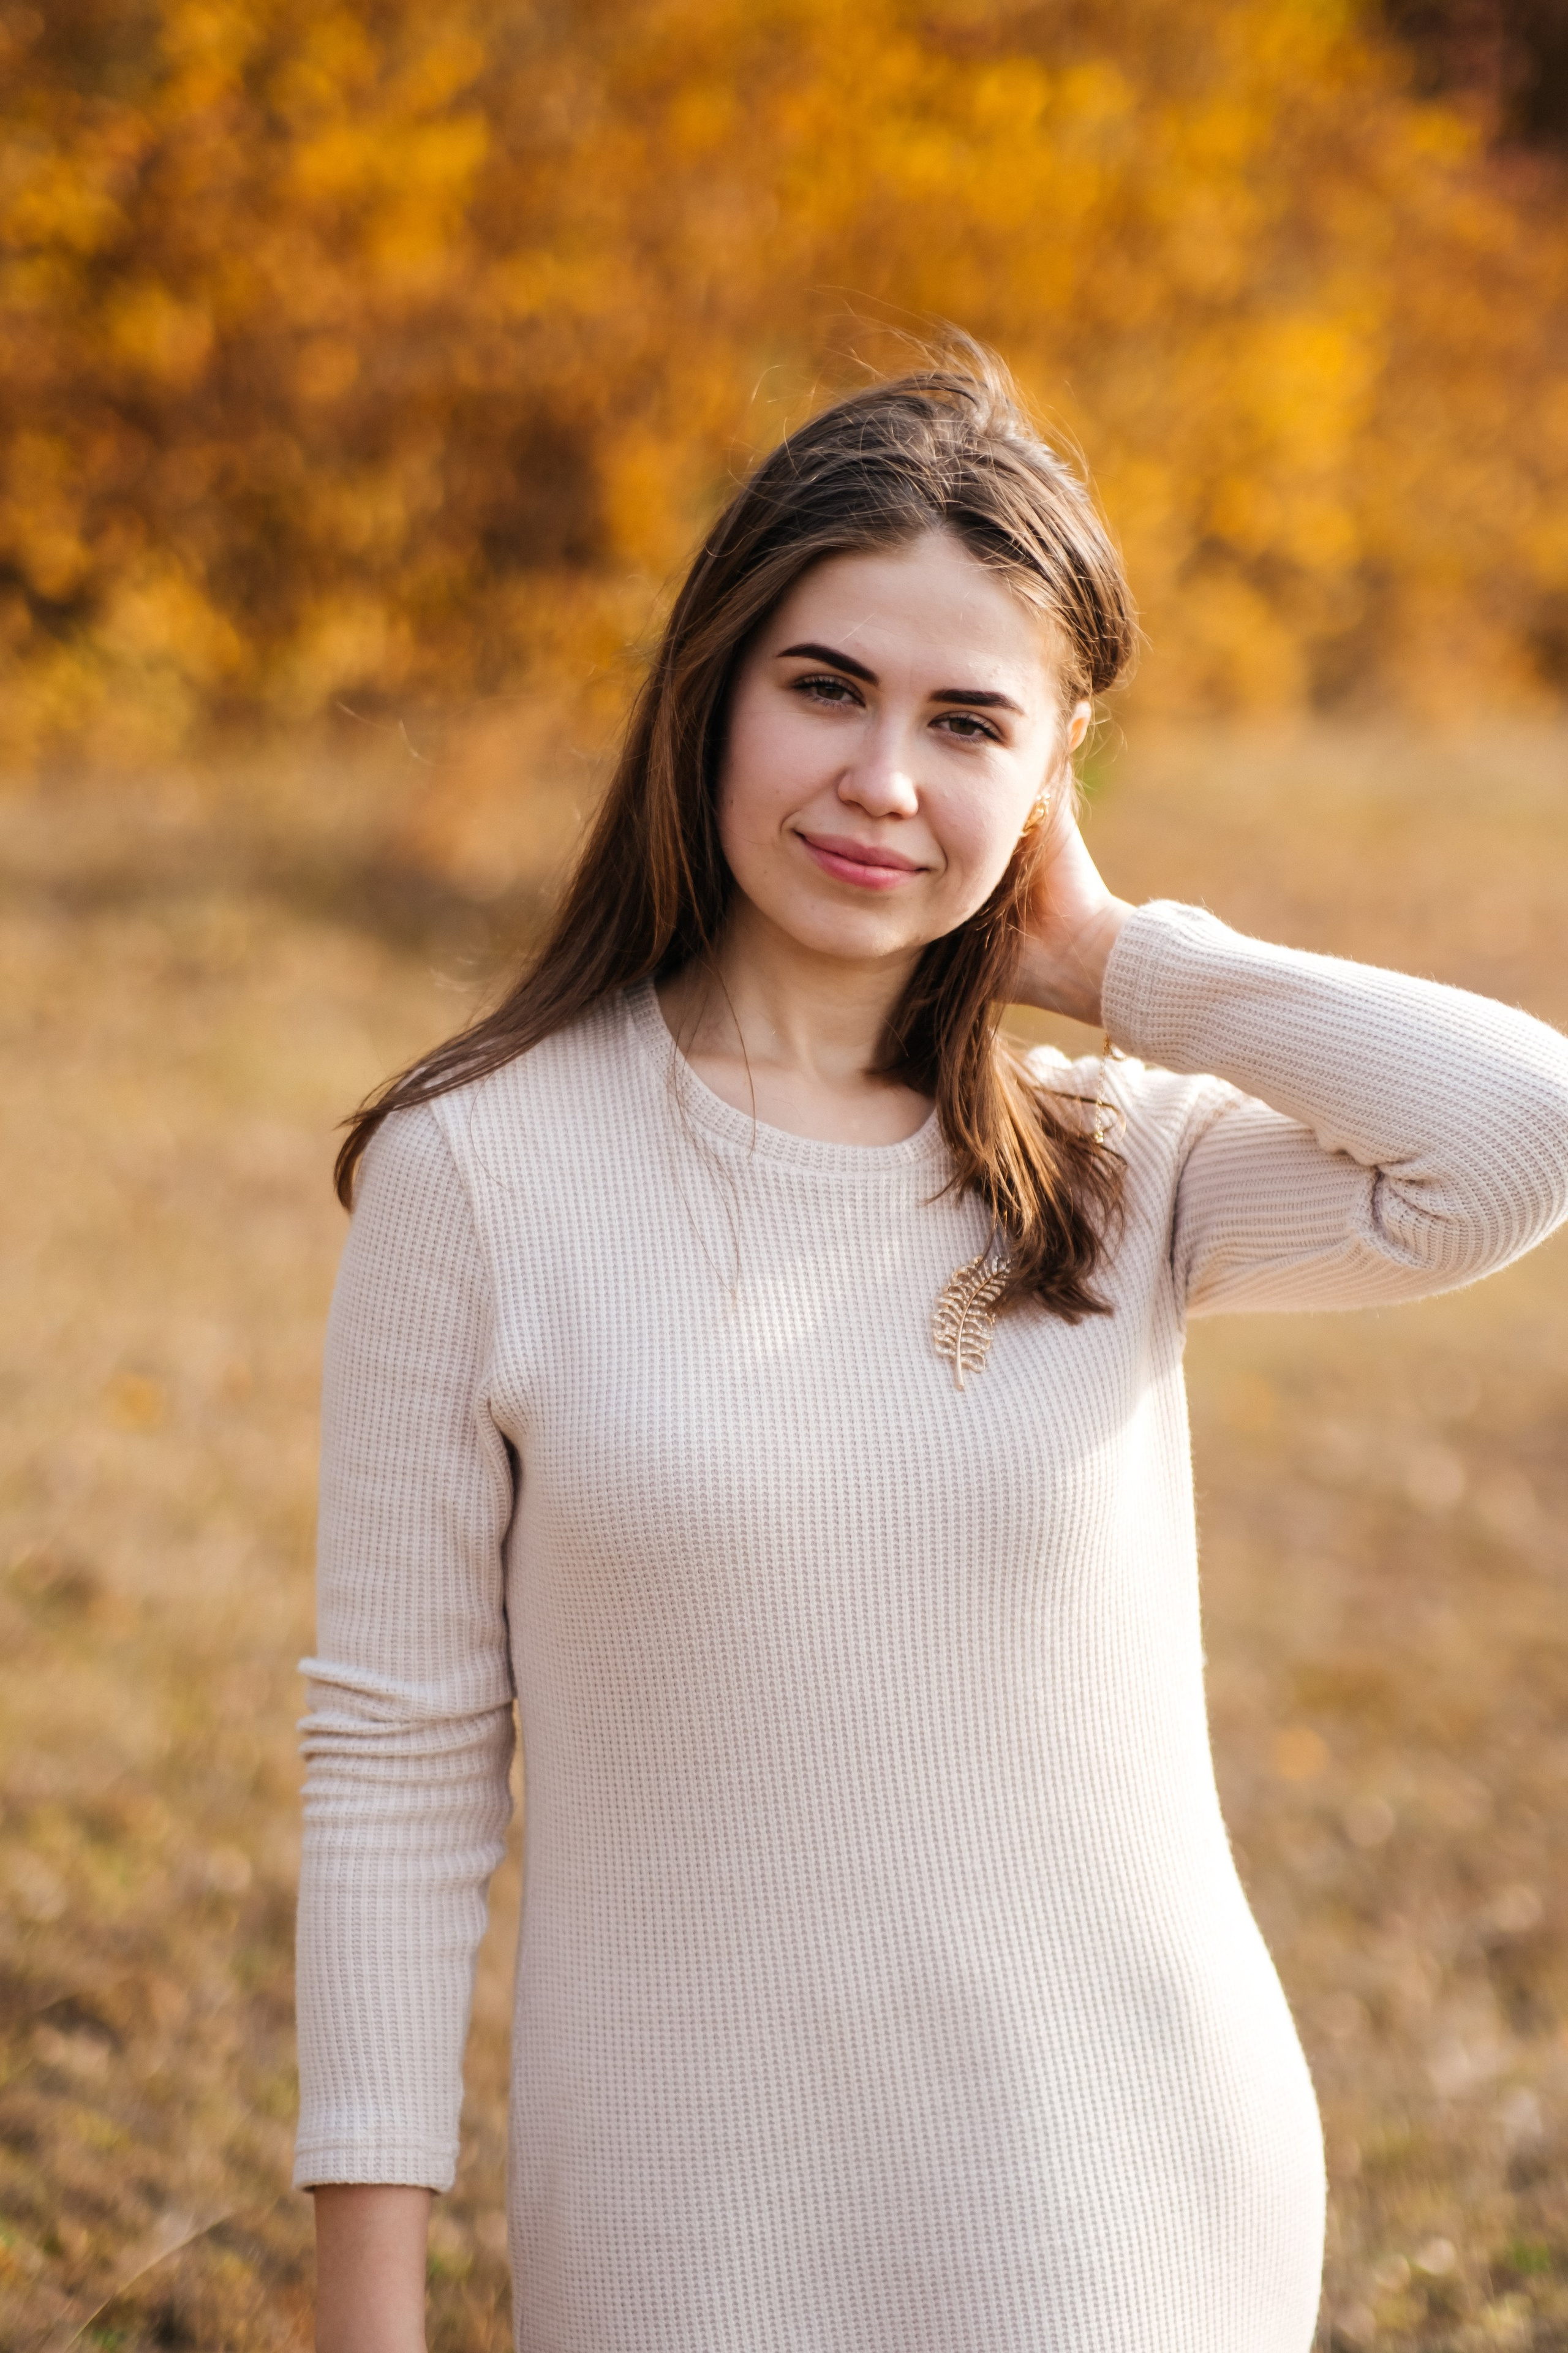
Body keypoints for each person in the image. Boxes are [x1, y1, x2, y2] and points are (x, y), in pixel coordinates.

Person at [294, 350, 1568, 2353]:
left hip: (1130, 2205)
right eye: (826, 687)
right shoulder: (483, 1169)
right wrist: (362, 2317)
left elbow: (1518, 1137)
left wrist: (1117, 960)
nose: (885, 778)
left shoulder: (1115, 1164)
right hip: (688, 2233)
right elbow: (396, 1765)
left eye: (968, 721)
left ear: (1058, 767)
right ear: (711, 691)